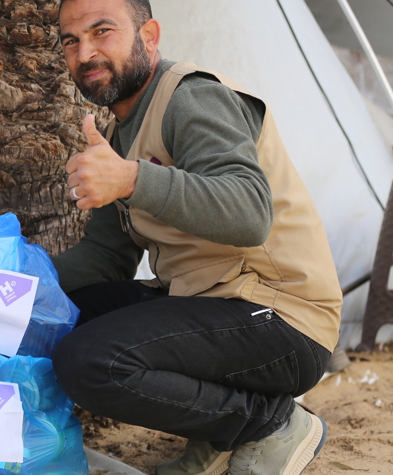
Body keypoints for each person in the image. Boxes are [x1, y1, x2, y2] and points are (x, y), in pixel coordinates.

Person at [49, 1, 343, 475]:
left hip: (284, 320)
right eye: (71, 40)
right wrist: (19, 284)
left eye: (102, 31)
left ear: (149, 36)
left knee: (88, 361)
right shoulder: (118, 133)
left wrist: (130, 180)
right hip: (211, 303)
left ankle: (270, 423)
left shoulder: (191, 96)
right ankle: (219, 437)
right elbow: (106, 256)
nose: (85, 53)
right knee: (64, 313)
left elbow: (249, 212)